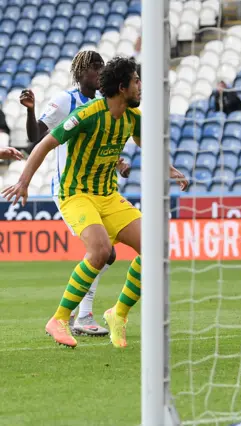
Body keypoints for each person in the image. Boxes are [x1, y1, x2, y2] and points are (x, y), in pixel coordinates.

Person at [3, 56, 188, 349]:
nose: (140, 87)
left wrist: (171, 169)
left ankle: (118, 314)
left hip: (108, 195)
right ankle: (60, 319)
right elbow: (44, 143)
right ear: (121, 86)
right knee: (101, 250)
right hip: (75, 193)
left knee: (155, 248)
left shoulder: (133, 118)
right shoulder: (87, 114)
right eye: (136, 81)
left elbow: (151, 146)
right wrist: (23, 182)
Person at [19, 50, 130, 336]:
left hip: (98, 189)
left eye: (101, 68)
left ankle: (78, 315)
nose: (98, 73)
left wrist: (117, 161)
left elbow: (99, 140)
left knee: (108, 255)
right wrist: (32, 110)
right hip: (70, 189)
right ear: (80, 73)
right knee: (102, 253)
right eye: (93, 69)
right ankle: (83, 315)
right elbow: (35, 138)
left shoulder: (103, 104)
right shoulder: (65, 100)